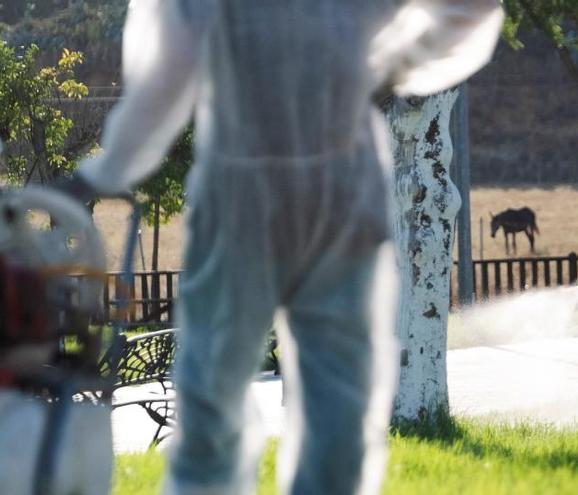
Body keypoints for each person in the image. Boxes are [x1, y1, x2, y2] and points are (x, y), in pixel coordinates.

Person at [58, 0, 502, 493]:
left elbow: (164, 76)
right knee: (337, 396)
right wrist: (389, 66)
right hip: (340, 188)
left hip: (242, 192)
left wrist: (101, 173)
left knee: (213, 389)